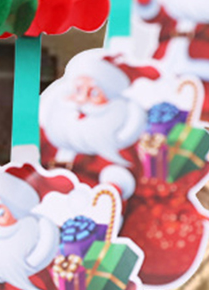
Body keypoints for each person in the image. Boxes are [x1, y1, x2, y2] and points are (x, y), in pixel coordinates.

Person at [40, 50, 156, 196]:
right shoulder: (51, 133)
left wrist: (112, 186)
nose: (81, 100)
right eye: (78, 90)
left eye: (94, 93)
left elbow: (121, 176)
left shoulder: (111, 145)